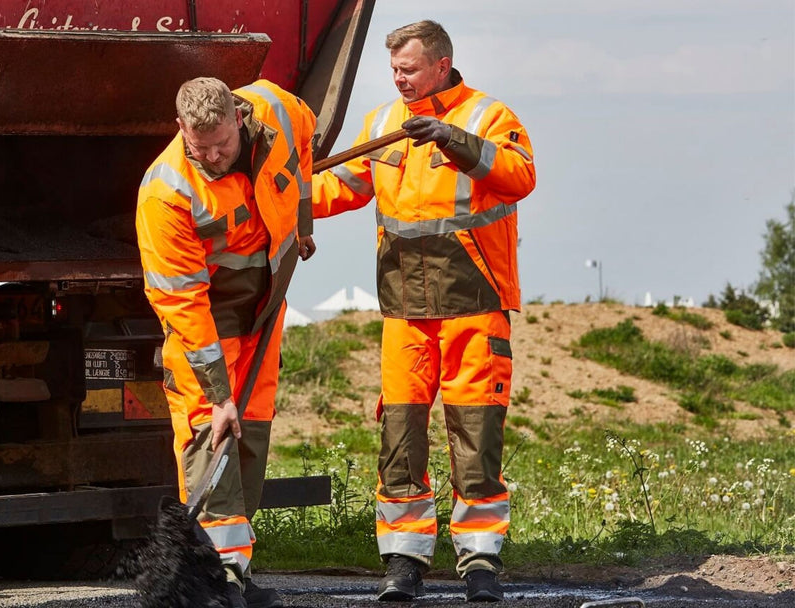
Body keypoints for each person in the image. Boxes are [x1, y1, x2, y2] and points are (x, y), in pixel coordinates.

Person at [312, 20, 536, 603]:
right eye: (393, 70)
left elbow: (520, 177)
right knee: (399, 438)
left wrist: (451, 139)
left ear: (441, 65)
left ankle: (480, 561)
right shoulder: (383, 124)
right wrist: (276, 199)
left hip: (474, 307)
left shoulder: (489, 117)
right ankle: (403, 562)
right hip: (404, 311)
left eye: (408, 69)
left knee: (476, 438)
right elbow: (338, 188)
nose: (398, 79)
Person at [136, 76, 317, 608]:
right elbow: (183, 303)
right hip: (206, 330)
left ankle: (236, 571)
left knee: (252, 439)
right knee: (208, 442)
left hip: (263, 314)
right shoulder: (165, 191)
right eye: (200, 148)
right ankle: (219, 583)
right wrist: (218, 396)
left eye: (222, 144)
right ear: (179, 130)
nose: (213, 156)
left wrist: (300, 221)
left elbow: (303, 149)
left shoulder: (280, 112)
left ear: (239, 118)